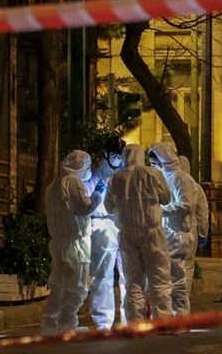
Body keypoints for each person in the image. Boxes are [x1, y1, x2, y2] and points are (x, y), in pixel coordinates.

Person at [106, 144, 174, 321]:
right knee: (159, 278)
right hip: (152, 232)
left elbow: (108, 206)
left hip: (127, 233)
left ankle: (135, 322)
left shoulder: (116, 177)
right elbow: (166, 199)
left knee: (133, 281)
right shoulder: (153, 174)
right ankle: (163, 321)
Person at [42, 150, 104, 336]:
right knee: (76, 287)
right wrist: (98, 195)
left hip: (58, 243)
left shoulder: (53, 186)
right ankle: (67, 325)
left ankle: (50, 324)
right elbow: (84, 208)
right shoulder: (74, 183)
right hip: (75, 244)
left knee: (58, 286)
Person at [149, 143, 204, 316]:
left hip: (179, 234)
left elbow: (185, 206)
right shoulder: (164, 177)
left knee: (178, 279)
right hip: (168, 233)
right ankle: (174, 315)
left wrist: (160, 210)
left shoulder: (181, 178)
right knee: (168, 278)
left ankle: (181, 315)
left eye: (154, 162)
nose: (152, 166)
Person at [87, 138, 126, 330]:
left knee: (129, 274)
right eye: (114, 155)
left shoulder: (126, 173)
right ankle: (103, 322)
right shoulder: (96, 176)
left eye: (120, 155)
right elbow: (88, 202)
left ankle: (130, 318)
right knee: (103, 274)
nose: (118, 159)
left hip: (123, 225)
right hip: (103, 225)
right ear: (106, 155)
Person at [178, 156, 211, 256]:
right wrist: (203, 232)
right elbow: (202, 211)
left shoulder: (169, 183)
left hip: (171, 231)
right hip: (191, 229)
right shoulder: (195, 186)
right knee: (188, 263)